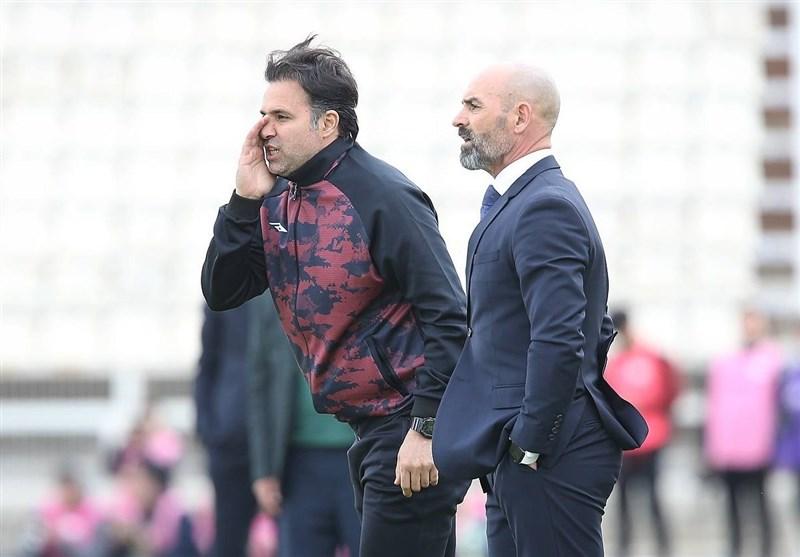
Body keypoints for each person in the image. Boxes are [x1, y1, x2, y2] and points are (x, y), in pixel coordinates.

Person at [201, 36, 470, 557]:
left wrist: (426, 426)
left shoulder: (384, 196)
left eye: (281, 116)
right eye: (263, 115)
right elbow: (222, 290)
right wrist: (243, 200)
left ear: (327, 124)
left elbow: (448, 316)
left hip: (406, 427)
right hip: (367, 431)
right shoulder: (277, 199)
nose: (265, 129)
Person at [432, 65, 648, 557]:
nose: (458, 119)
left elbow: (561, 338)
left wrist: (530, 442)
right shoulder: (522, 202)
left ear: (520, 117)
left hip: (544, 456)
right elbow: (594, 325)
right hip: (518, 456)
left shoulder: (543, 206)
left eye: (473, 106)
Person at [247, 291, 361, 556]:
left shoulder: (366, 274)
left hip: (362, 455)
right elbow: (259, 383)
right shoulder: (271, 292)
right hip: (297, 463)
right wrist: (263, 470)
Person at [705, 308, 782, 557]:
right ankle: (735, 547)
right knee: (732, 504)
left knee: (761, 501)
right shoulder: (725, 361)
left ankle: (766, 548)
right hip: (729, 446)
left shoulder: (773, 360)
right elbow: (715, 405)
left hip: (760, 446)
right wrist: (713, 446)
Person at [604, 309, 681, 557]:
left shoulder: (652, 358)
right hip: (626, 442)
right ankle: (624, 546)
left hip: (652, 437)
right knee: (624, 499)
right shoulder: (616, 363)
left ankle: (663, 545)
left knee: (653, 497)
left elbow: (670, 389)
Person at [194, 301, 259, 557]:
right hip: (231, 436)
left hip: (284, 438)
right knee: (229, 538)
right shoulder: (222, 298)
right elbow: (207, 363)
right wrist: (208, 428)